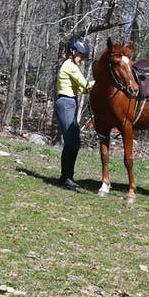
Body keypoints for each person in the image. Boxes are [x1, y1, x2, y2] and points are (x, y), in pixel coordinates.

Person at [54, 37, 94, 190]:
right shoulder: (70, 66)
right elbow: (85, 86)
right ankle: (65, 178)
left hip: (70, 103)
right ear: (73, 52)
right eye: (81, 56)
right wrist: (99, 81)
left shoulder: (70, 65)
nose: (82, 60)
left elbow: (83, 89)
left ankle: (67, 176)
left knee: (74, 142)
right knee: (71, 142)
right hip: (66, 103)